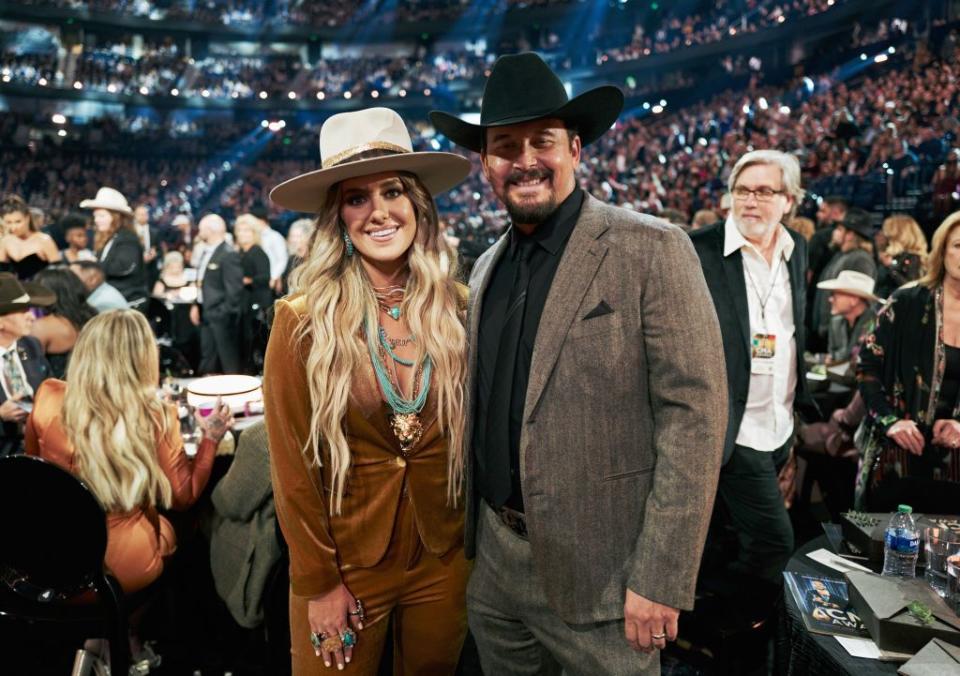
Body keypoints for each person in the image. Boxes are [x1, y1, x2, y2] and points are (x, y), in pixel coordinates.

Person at [430, 53, 726, 673]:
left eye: (543, 141)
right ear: (486, 163)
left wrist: (662, 576)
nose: (526, 159)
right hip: (495, 570)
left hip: (609, 579)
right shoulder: (484, 269)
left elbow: (695, 419)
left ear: (577, 149)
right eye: (505, 146)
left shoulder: (652, 248)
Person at [265, 106, 472, 675]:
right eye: (357, 198)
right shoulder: (302, 320)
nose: (378, 211)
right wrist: (318, 580)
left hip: (444, 558)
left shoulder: (458, 308)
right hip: (345, 566)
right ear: (339, 219)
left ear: (418, 207)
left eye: (392, 192)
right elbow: (291, 468)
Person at [690, 150, 816, 601]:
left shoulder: (796, 248)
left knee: (731, 538)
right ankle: (747, 642)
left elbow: (791, 329)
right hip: (730, 429)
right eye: (742, 190)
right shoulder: (697, 249)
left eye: (764, 191)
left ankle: (719, 633)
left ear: (789, 200)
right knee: (774, 543)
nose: (750, 201)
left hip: (780, 427)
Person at [856, 211, 960, 513]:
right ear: (942, 250)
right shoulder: (906, 301)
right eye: (958, 245)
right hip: (896, 455)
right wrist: (891, 422)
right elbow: (866, 368)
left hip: (954, 466)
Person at [0, 273, 54, 456]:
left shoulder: (31, 345)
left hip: (39, 448)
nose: (31, 316)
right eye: (23, 311)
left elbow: (50, 391)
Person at [813, 207, 877, 344]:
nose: (834, 232)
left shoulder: (860, 259)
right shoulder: (841, 255)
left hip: (842, 336)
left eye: (840, 229)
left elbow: (857, 303)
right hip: (831, 332)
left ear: (850, 235)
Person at [189, 214, 243, 375]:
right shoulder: (208, 252)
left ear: (211, 230)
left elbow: (234, 290)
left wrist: (223, 312)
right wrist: (196, 305)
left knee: (228, 362)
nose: (199, 231)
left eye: (201, 228)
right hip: (207, 313)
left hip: (221, 316)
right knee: (208, 359)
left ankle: (237, 397)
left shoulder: (228, 254)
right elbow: (202, 282)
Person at [80, 187, 148, 309]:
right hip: (114, 300)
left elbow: (124, 267)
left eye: (101, 216)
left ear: (116, 217)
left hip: (128, 303)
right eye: (95, 216)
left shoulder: (127, 238)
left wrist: (94, 265)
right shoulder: (111, 238)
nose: (96, 220)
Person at [30, 267, 97, 379]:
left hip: (59, 392)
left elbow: (31, 371)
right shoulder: (93, 318)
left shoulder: (41, 327)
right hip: (93, 386)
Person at [233, 214, 272, 374]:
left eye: (246, 230)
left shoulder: (258, 252)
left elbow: (265, 277)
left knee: (256, 342)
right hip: (245, 302)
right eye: (240, 230)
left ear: (254, 233)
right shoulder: (241, 252)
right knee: (246, 342)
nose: (242, 234)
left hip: (258, 303)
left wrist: (247, 280)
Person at [0, 194, 61, 280]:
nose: (14, 227)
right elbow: (2, 275)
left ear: (27, 218)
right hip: (14, 291)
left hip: (41, 291)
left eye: (18, 222)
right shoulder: (5, 242)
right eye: (9, 222)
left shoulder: (44, 240)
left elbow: (58, 275)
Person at [874, 214, 927, 298]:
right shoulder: (886, 257)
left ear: (896, 234)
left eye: (884, 231)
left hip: (899, 307)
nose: (881, 233)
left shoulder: (913, 258)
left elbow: (911, 288)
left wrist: (891, 267)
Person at [282, 217, 314, 295]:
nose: (294, 240)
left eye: (298, 236)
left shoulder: (314, 258)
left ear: (308, 237)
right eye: (292, 236)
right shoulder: (292, 258)